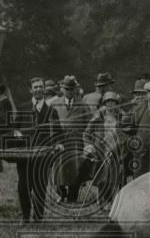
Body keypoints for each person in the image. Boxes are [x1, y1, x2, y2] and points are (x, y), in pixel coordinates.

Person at [11, 78, 62, 222]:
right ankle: (26, 216)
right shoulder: (23, 108)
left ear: (44, 89)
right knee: (23, 187)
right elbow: (14, 128)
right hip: (25, 156)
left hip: (43, 155)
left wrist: (58, 143)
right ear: (30, 90)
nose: (38, 89)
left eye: (41, 87)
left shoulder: (51, 111)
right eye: (35, 87)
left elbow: (59, 132)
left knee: (40, 187)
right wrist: (17, 133)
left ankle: (38, 218)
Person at [82, 91, 129, 204]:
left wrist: (120, 145)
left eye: (113, 102)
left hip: (117, 150)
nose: (110, 104)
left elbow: (127, 134)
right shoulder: (98, 117)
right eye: (108, 102)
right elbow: (86, 133)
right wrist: (89, 145)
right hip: (101, 149)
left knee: (116, 174)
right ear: (104, 103)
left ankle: (115, 198)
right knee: (101, 174)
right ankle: (100, 198)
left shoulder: (122, 117)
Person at [54, 76, 92, 202]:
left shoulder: (82, 104)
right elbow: (50, 123)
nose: (69, 91)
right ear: (62, 89)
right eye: (66, 89)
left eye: (71, 89)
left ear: (75, 89)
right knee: (59, 168)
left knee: (76, 169)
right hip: (61, 140)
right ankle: (61, 192)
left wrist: (87, 142)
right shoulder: (55, 104)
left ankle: (72, 195)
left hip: (76, 141)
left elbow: (89, 124)